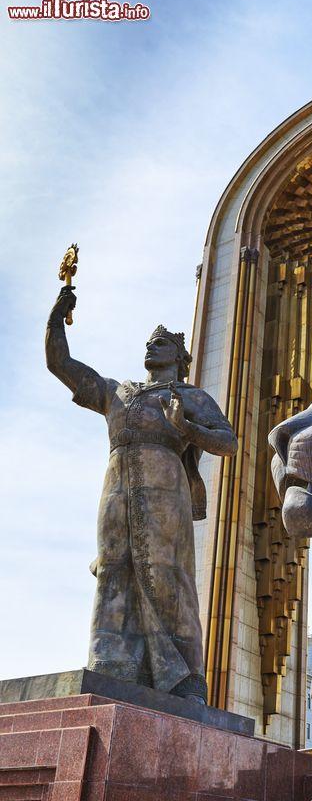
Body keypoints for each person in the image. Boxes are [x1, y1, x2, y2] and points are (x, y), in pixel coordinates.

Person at [46, 284, 237, 702]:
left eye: (163, 343)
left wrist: (186, 427)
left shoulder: (188, 396)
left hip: (166, 489)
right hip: (116, 489)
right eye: (150, 343)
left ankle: (185, 680)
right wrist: (56, 318)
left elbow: (228, 442)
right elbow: (61, 364)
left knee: (166, 576)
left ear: (180, 358)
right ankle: (110, 662)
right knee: (114, 568)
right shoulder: (117, 391)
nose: (152, 347)